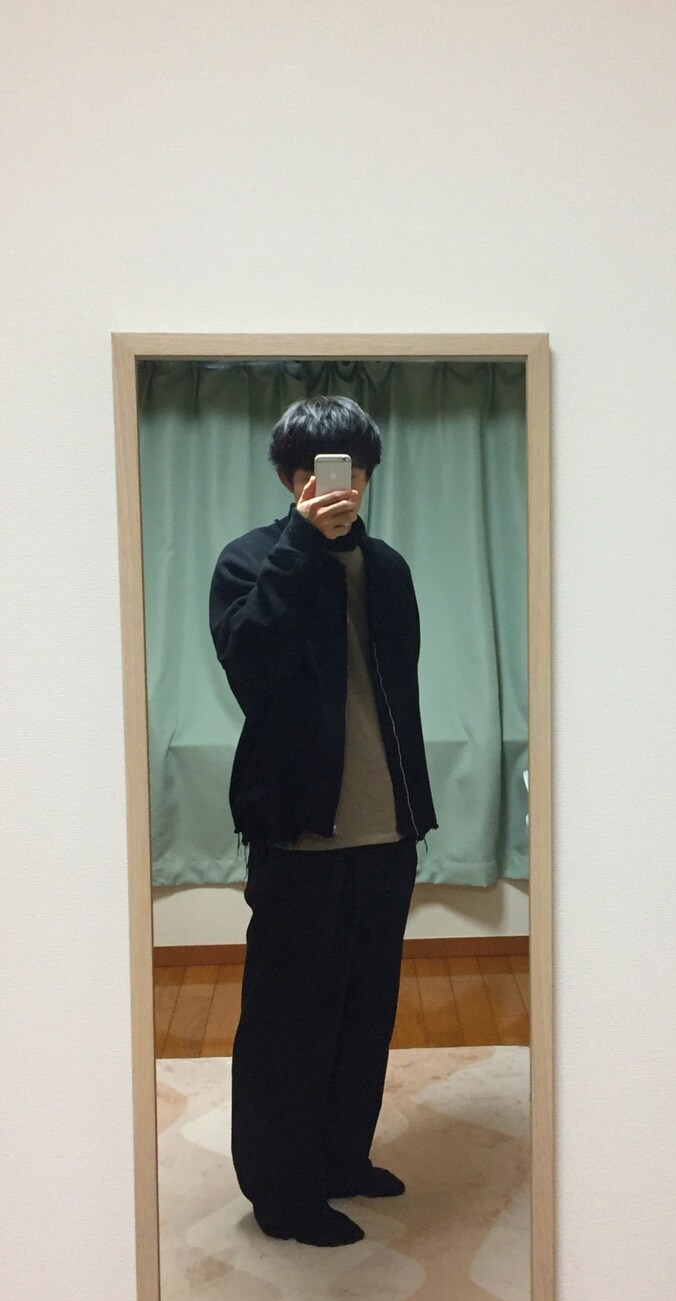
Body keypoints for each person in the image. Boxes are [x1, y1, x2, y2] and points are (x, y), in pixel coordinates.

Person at [209, 395, 438, 1247]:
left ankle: (342, 1157)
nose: (335, 484)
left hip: (389, 831)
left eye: (351, 468)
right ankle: (282, 1194)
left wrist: (412, 811)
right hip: (299, 833)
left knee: (363, 1011)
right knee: (288, 1021)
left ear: (368, 475)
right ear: (289, 478)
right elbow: (252, 670)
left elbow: (396, 693)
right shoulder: (250, 561)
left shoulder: (390, 569)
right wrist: (300, 550)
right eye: (313, 470)